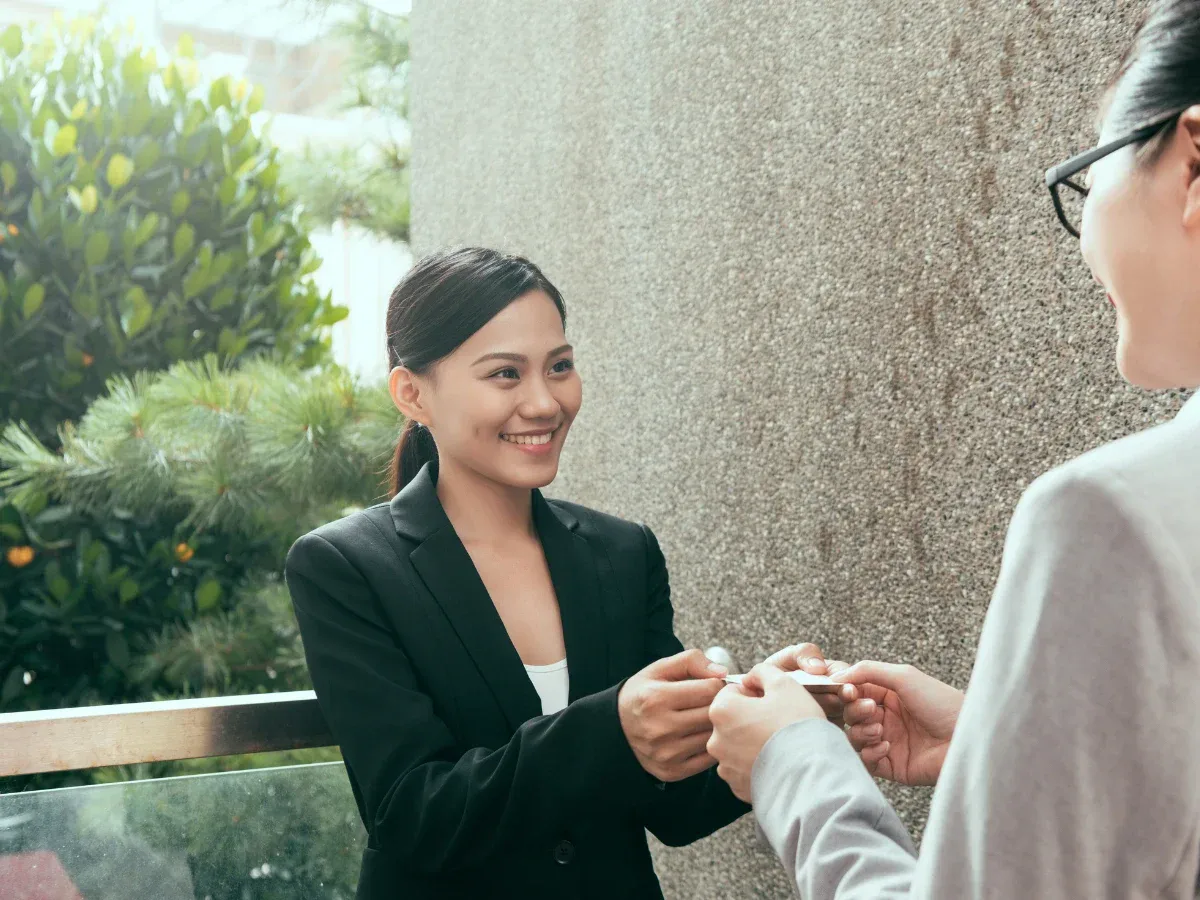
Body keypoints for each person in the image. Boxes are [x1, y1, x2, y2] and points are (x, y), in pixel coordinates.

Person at [705, 1, 1200, 896]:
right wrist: (1000, 743)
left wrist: (792, 765)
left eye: (1088, 179)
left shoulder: (1112, 517)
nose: (1086, 234)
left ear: (1194, 160)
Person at [284, 247, 750, 900]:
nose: (544, 402)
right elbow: (414, 813)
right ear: (411, 392)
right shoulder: (345, 566)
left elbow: (673, 807)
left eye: (559, 367)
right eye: (505, 374)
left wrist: (781, 724)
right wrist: (612, 728)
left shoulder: (623, 553)